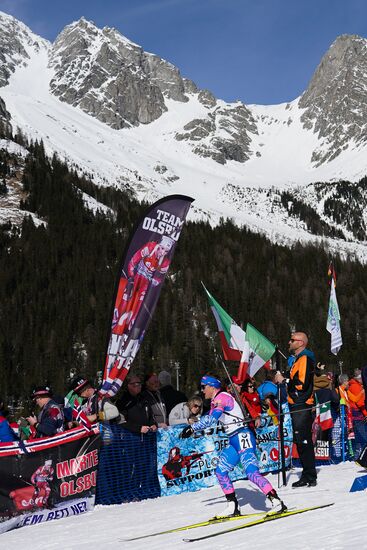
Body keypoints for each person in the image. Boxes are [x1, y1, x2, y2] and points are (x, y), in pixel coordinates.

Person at [179, 374, 286, 518]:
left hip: (242, 436)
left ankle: (276, 501)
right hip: (233, 440)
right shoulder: (215, 400)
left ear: (212, 387)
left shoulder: (222, 398)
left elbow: (211, 419)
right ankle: (232, 506)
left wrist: (192, 428)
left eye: (204, 387)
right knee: (220, 471)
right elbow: (208, 417)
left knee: (252, 473)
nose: (202, 390)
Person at [274, 331, 317, 488]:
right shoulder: (298, 359)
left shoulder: (305, 358)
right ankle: (308, 474)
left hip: (301, 403)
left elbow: (302, 383)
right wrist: (284, 376)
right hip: (296, 403)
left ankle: (309, 475)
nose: (289, 342)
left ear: (301, 343)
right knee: (300, 440)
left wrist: (284, 380)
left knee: (303, 440)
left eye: (292, 340)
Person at [115, 374, 160, 500]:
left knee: (146, 465)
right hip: (130, 439)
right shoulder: (123, 401)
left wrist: (153, 424)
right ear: (128, 386)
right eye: (134, 384)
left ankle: (144, 490)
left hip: (146, 439)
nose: (137, 386)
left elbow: (151, 415)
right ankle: (129, 493)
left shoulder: (144, 398)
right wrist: (138, 428)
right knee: (131, 467)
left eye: (139, 383)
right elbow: (121, 422)